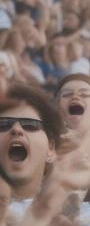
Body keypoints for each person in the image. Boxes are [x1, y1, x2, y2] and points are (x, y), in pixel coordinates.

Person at [0, 83, 63, 212]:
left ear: (50, 148)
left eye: (30, 124)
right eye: (4, 124)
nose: (16, 129)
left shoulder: (70, 218)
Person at [54, 74, 90, 156]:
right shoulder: (46, 152)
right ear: (57, 109)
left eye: (85, 94)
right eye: (67, 94)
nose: (75, 97)